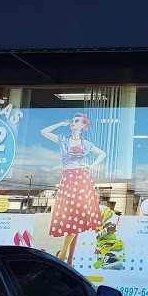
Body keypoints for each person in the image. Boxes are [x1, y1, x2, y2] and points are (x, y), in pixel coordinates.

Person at [41, 113, 106, 265]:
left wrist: (90, 166)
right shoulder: (63, 139)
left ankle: (64, 256)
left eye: (77, 121)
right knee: (73, 219)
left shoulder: (85, 143)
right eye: (73, 120)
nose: (73, 122)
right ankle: (68, 258)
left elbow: (102, 154)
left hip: (81, 179)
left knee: (76, 218)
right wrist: (60, 124)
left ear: (82, 126)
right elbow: (44, 132)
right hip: (68, 178)